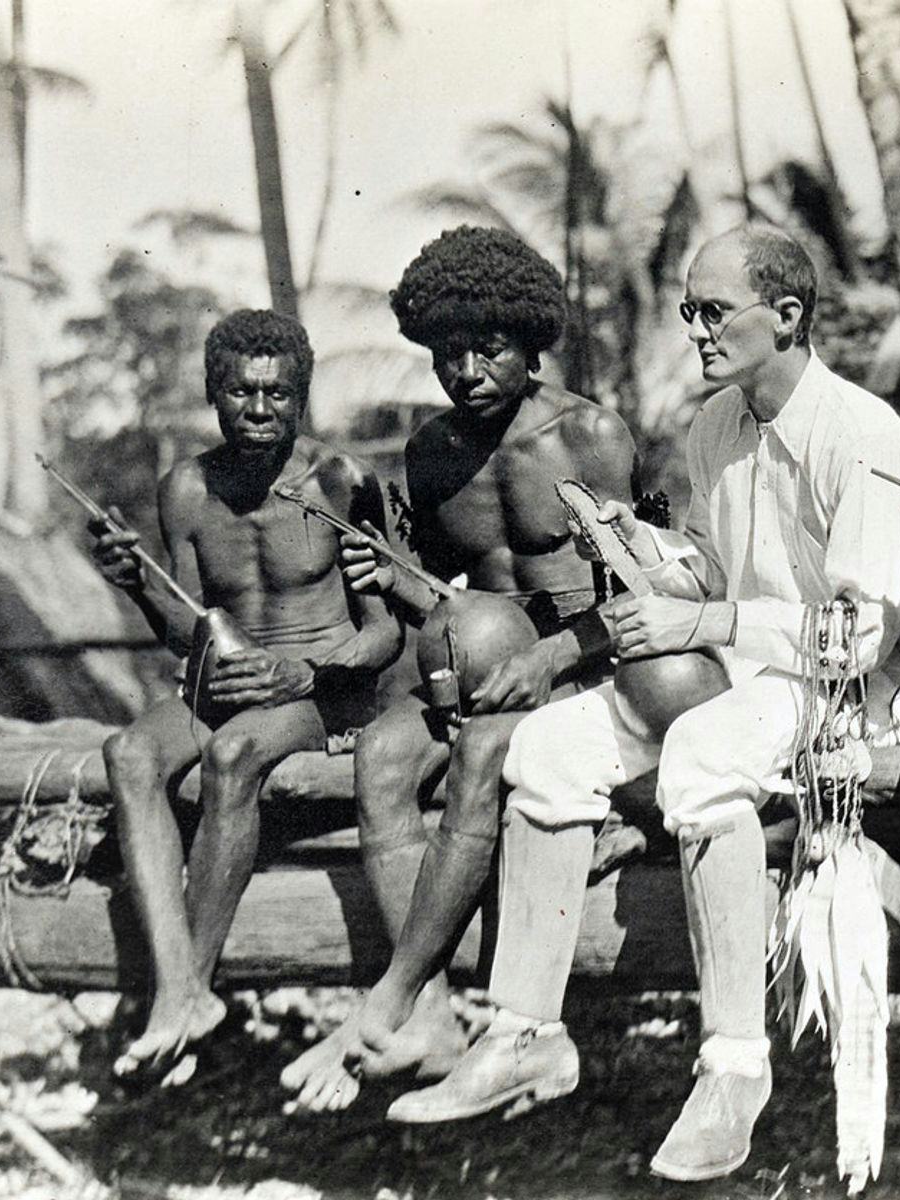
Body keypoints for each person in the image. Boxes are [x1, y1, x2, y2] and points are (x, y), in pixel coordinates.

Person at [380, 223, 900, 1184]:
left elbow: (860, 639)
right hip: (736, 672)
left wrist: (699, 624)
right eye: (688, 312)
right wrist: (641, 551)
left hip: (838, 697)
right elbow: (705, 563)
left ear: (788, 316)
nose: (696, 332)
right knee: (540, 751)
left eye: (715, 311)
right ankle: (525, 1033)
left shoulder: (863, 428)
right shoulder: (714, 426)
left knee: (702, 753)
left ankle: (735, 1068)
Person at [281, 226, 637, 1112]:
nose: (468, 370)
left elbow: (643, 595)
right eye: (449, 355)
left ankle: (392, 993)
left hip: (578, 665)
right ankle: (431, 1020)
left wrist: (553, 656)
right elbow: (439, 599)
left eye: (490, 349)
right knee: (382, 760)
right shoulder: (433, 453)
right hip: (477, 667)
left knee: (484, 756)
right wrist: (380, 570)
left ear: (531, 341)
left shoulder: (589, 435)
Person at [93, 309, 402, 1083]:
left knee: (233, 752)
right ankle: (181, 992)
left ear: (300, 396)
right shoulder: (187, 490)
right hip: (226, 683)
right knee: (127, 752)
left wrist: (305, 674)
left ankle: (185, 991)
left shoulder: (342, 482)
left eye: (278, 394)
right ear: (213, 393)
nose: (259, 411)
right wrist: (135, 586)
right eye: (241, 393)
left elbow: (386, 633)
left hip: (322, 690)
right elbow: (188, 631)